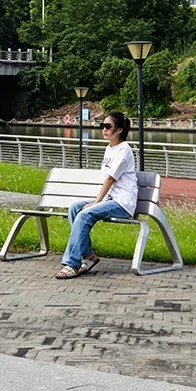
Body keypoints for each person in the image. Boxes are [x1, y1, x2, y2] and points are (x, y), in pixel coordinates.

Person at [56, 110, 138, 279]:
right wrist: (97, 201)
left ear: (120, 129)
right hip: (110, 199)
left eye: (108, 126)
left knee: (85, 214)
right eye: (103, 126)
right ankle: (88, 256)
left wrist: (96, 202)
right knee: (74, 208)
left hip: (122, 203)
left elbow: (110, 179)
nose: (104, 129)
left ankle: (71, 263)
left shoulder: (124, 151)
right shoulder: (110, 148)